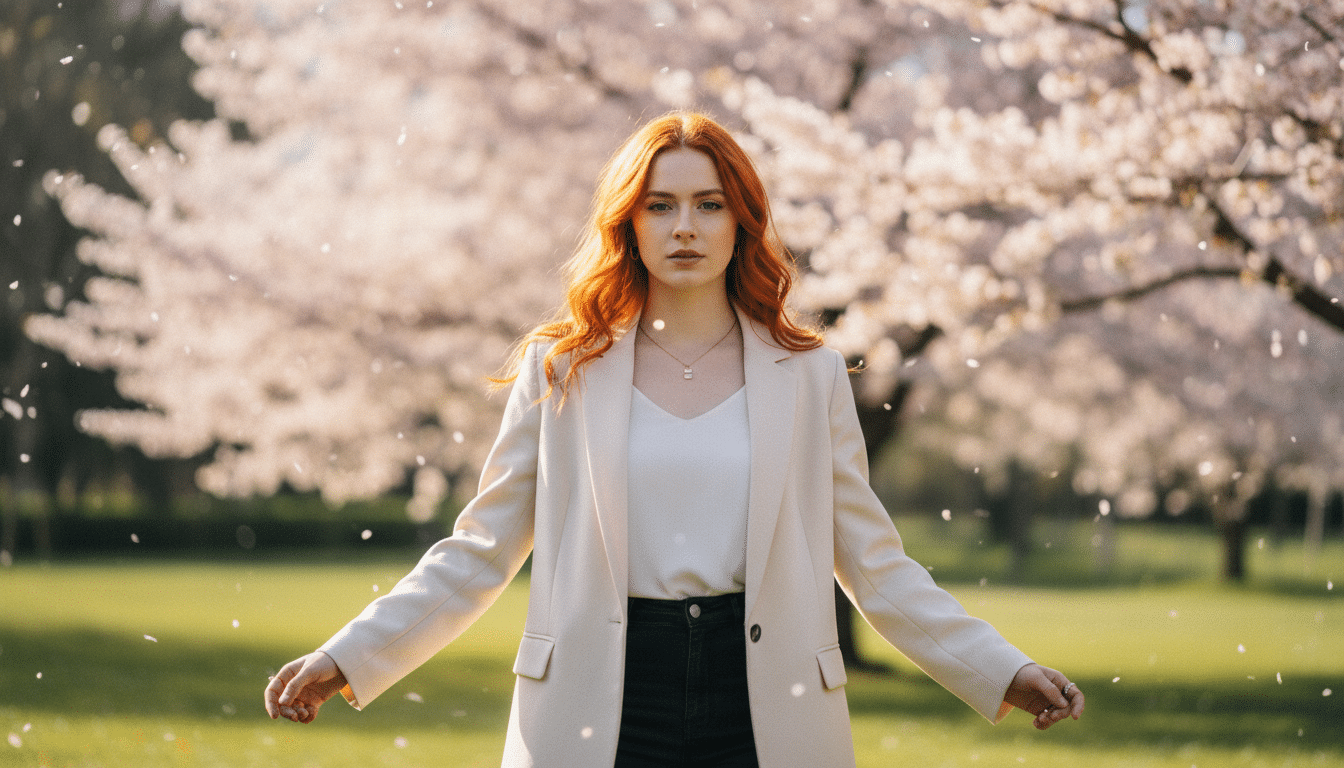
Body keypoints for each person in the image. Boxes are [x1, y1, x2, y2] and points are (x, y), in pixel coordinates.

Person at [263, 112, 1085, 767]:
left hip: (765, 704)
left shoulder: (811, 376)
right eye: (659, 205)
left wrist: (1001, 669)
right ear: (629, 222)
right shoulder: (561, 370)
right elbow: (479, 552)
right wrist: (351, 656)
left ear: (741, 221)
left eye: (707, 203)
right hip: (599, 703)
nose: (683, 226)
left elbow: (875, 565)